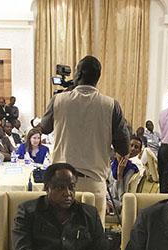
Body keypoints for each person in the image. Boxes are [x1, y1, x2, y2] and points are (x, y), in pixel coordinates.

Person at [38, 57, 130, 197]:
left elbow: (44, 128)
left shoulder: (59, 100)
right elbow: (124, 148)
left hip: (61, 182)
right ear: (98, 77)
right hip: (94, 184)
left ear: (79, 74)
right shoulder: (111, 105)